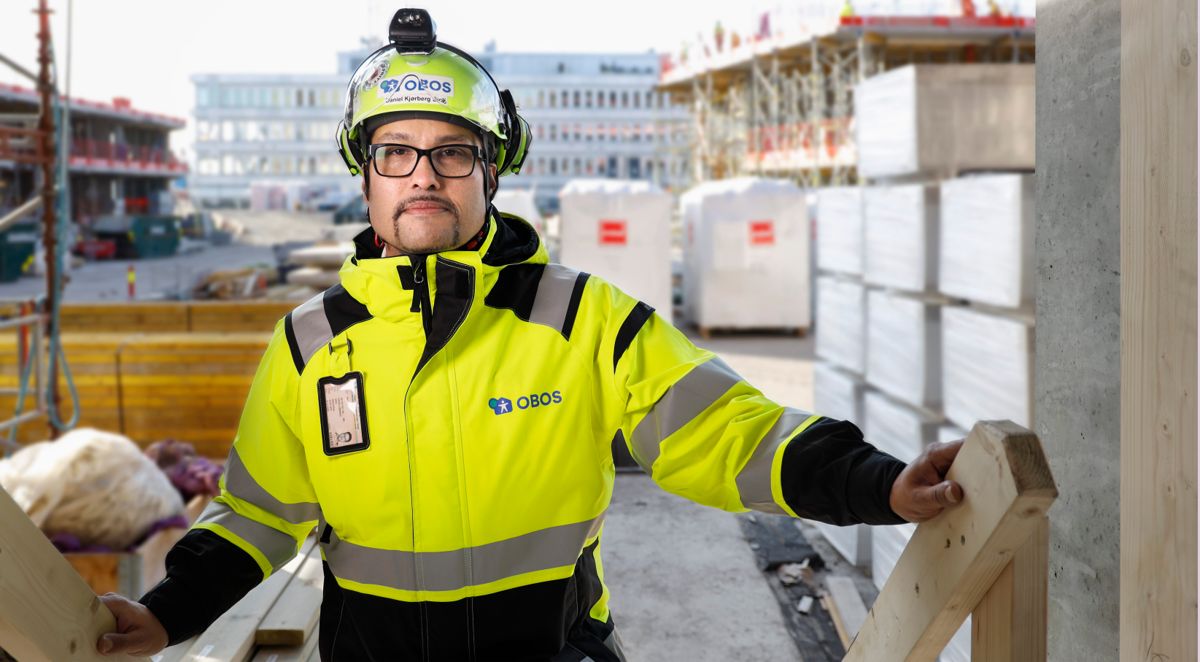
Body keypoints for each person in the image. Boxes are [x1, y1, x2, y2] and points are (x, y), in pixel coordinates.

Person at [96, 9, 963, 661]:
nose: (423, 175)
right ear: (364, 177)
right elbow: (254, 514)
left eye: (452, 152)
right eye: (395, 152)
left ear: (493, 168)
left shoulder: (582, 319)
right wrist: (170, 613)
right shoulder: (311, 344)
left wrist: (878, 484)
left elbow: (726, 431)